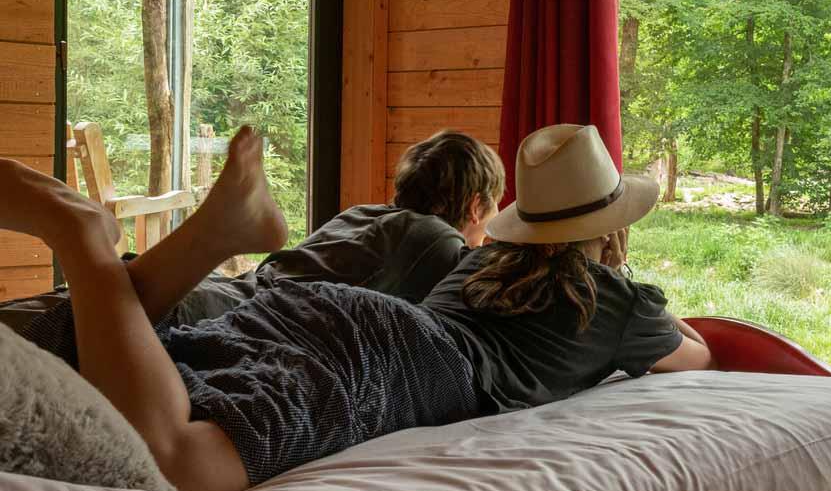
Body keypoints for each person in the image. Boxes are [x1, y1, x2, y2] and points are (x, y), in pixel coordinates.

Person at [0, 122, 711, 491]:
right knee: (185, 466)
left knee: (132, 370)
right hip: (403, 362)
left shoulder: (481, 261)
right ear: (611, 227)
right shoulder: (622, 304)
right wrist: (626, 290)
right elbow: (697, 355)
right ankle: (84, 240)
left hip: (323, 306)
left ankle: (146, 266)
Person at [0, 128, 504, 361]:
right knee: (41, 348)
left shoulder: (363, 216)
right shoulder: (438, 241)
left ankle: (82, 232)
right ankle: (80, 233)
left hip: (216, 294)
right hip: (221, 320)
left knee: (36, 327)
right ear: (478, 206)